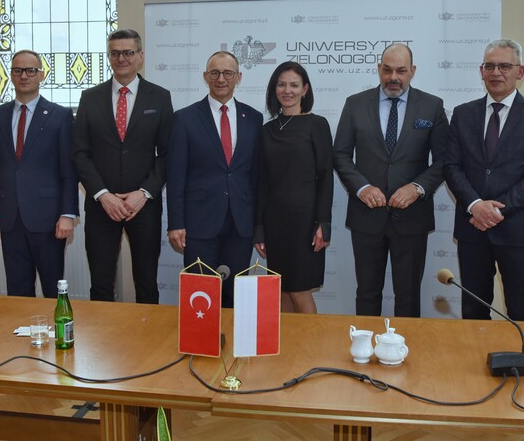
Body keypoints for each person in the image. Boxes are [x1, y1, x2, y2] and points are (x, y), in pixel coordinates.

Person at [443, 39, 524, 322]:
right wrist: (475, 205)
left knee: (520, 311)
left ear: (520, 72)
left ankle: (518, 354)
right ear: (481, 71)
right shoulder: (463, 113)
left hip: (518, 231)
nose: (496, 72)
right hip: (472, 229)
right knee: (473, 311)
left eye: (505, 66)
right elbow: (451, 166)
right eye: (490, 66)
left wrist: (494, 210)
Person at [333, 43, 449, 317]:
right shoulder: (355, 104)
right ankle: (364, 343)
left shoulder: (432, 106)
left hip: (412, 217)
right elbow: (340, 155)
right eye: (387, 70)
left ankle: (405, 345)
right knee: (367, 293)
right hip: (366, 216)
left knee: (408, 296)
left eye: (401, 71)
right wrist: (362, 187)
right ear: (379, 69)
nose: (393, 77)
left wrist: (417, 188)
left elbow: (445, 160)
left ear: (413, 71)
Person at [72, 29, 174, 303]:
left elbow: (167, 154)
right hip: (101, 205)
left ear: (140, 56)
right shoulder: (90, 97)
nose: (121, 59)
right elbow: (79, 153)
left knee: (146, 284)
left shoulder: (160, 97)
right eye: (115, 53)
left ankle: (146, 332)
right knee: (101, 285)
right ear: (109, 57)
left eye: (128, 52)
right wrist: (102, 195)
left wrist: (144, 193)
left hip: (143, 205)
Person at [167, 51, 262, 308]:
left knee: (234, 297)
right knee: (200, 297)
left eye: (228, 73)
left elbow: (256, 177)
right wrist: (176, 223)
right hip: (199, 225)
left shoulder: (254, 118)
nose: (221, 79)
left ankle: (231, 336)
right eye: (215, 73)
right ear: (205, 77)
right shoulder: (184, 119)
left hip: (240, 226)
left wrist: (259, 226)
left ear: (238, 77)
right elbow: (175, 176)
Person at [0, 49, 78, 298]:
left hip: (48, 218)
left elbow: (68, 170)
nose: (24, 76)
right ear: (11, 75)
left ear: (41, 75)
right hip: (9, 218)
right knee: (17, 292)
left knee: (53, 290)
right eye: (18, 70)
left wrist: (67, 214)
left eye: (31, 70)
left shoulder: (60, 115)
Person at [253, 61, 333, 314]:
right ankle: (287, 341)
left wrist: (323, 224)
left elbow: (326, 177)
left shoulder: (317, 125)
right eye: (282, 85)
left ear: (305, 90)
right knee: (282, 290)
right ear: (274, 89)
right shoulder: (266, 130)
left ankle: (311, 341)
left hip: (305, 223)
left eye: (294, 85)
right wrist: (259, 229)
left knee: (299, 290)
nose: (287, 90)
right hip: (274, 223)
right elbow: (262, 183)